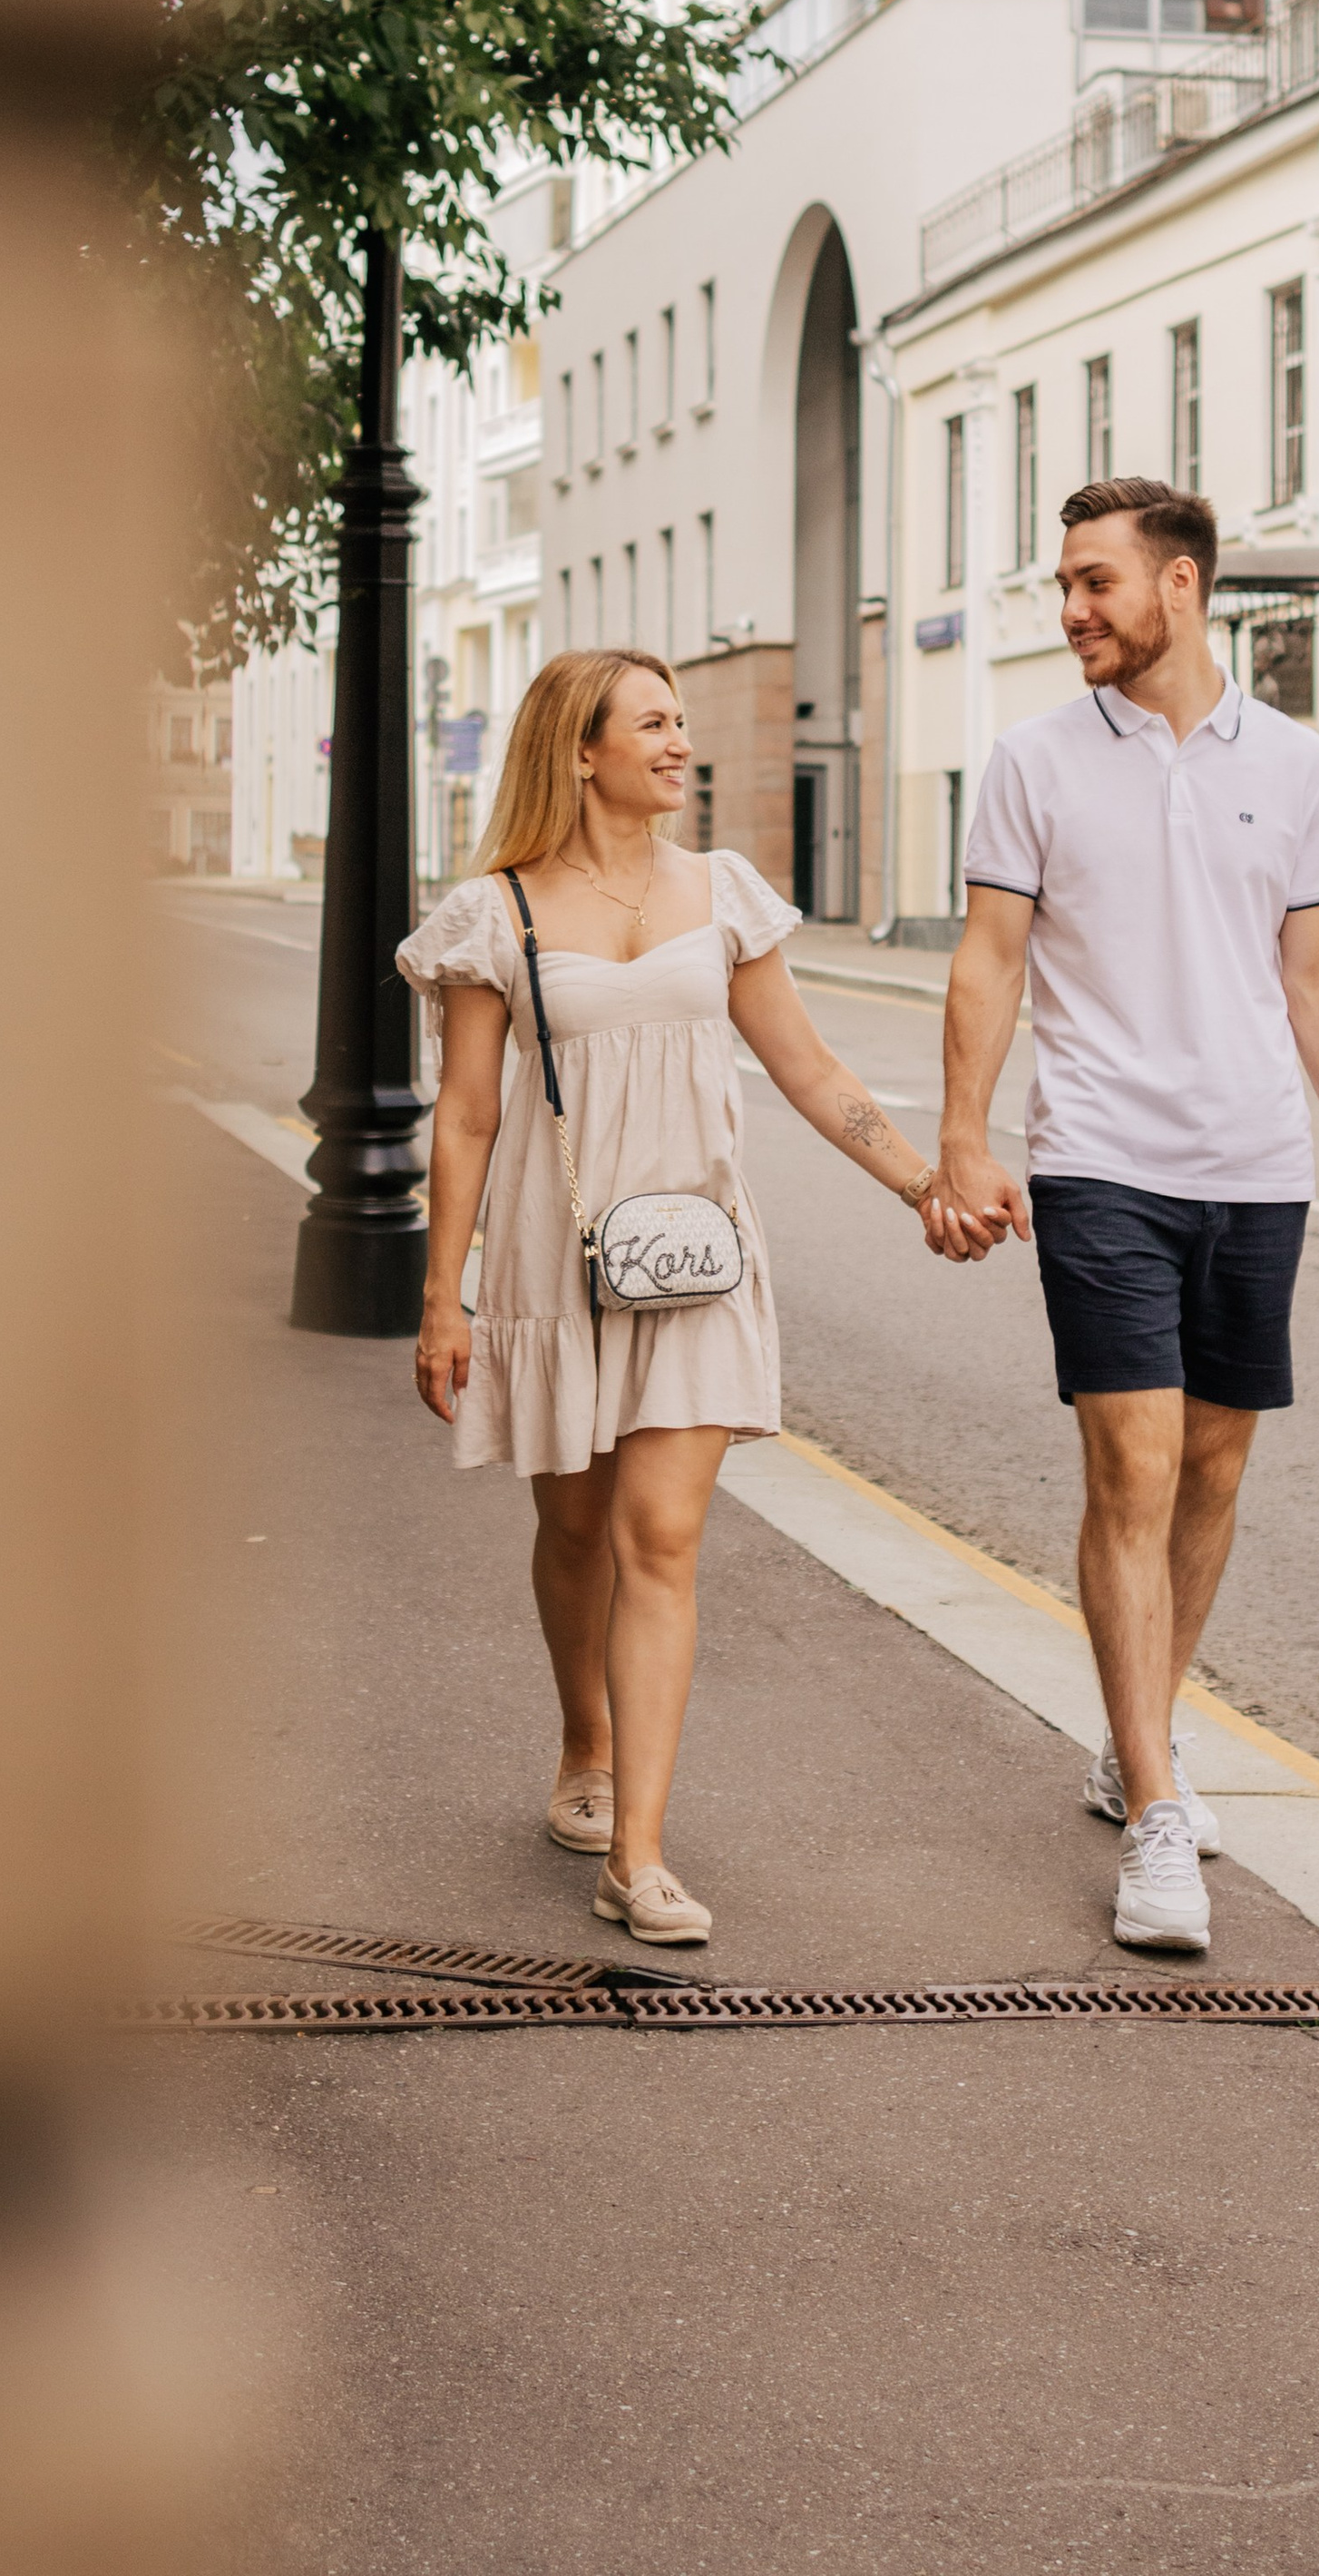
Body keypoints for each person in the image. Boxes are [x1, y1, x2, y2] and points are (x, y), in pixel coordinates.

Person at [916, 479, 1319, 1957]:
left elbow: (1316, 974)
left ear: (1179, 587)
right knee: (1131, 1457)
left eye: (1095, 584)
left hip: (1252, 1166)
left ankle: (1142, 1736)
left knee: (1212, 1468)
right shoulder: (1033, 760)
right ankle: (1160, 1812)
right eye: (1065, 584)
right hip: (1101, 1160)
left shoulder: (1298, 765)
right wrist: (963, 1139)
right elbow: (991, 962)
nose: (1070, 611)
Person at [402, 649, 939, 1950]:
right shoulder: (498, 914)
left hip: (695, 1257)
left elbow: (808, 1070)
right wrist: (442, 1295)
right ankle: (583, 1741)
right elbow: (469, 1117)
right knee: (578, 1532)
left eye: (683, 722)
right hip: (556, 1255)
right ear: (580, 753)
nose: (681, 743)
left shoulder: (723, 895)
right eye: (654, 724)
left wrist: (924, 1186)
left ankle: (637, 1857)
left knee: (661, 1541)